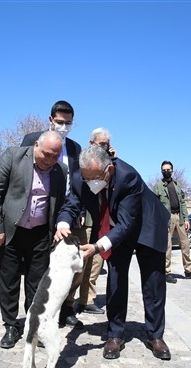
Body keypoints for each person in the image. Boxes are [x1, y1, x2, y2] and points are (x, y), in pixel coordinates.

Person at [55, 145, 171, 361]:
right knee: (116, 280)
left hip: (147, 226)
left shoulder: (128, 176)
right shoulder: (83, 177)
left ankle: (155, 336)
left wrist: (98, 246)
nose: (91, 183)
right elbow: (71, 204)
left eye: (96, 178)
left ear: (108, 169)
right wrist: (62, 223)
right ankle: (115, 334)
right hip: (116, 229)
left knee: (153, 282)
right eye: (87, 178)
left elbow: (128, 223)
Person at [0, 130, 67, 349]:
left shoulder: (61, 170)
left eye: (56, 156)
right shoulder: (12, 156)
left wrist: (60, 227)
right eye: (47, 154)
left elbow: (60, 203)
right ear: (36, 146)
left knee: (38, 284)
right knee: (9, 280)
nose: (50, 160)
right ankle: (11, 326)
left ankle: (34, 327)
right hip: (11, 231)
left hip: (40, 234)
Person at [21, 100, 85, 328]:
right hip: (39, 213)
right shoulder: (32, 140)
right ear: (50, 120)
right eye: (59, 122)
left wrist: (80, 210)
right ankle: (37, 311)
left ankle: (67, 308)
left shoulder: (76, 149)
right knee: (40, 267)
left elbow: (80, 183)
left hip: (68, 213)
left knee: (71, 267)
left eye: (68, 123)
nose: (64, 126)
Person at [74, 127, 118, 315]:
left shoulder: (110, 163)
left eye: (107, 144)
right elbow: (77, 190)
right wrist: (79, 212)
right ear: (92, 143)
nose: (105, 147)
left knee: (96, 264)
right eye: (102, 144)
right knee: (80, 265)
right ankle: (68, 302)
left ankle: (87, 299)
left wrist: (114, 159)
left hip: (103, 221)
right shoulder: (83, 161)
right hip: (86, 220)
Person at [153, 161, 191, 284]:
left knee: (185, 243)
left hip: (179, 217)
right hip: (166, 219)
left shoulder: (176, 185)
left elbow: (182, 203)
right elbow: (154, 205)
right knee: (167, 246)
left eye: (168, 169)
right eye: (164, 170)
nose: (166, 172)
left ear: (172, 170)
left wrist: (186, 219)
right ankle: (166, 272)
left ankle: (189, 269)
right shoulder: (158, 186)